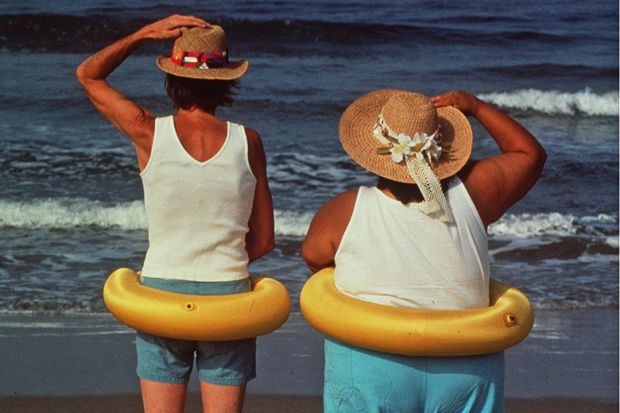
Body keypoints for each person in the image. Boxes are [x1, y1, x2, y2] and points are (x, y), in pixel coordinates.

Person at [301, 90, 546, 412]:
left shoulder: (343, 210)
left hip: (371, 361)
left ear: (376, 149)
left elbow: (314, 258)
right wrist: (475, 106)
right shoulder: (477, 194)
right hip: (465, 360)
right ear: (440, 148)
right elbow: (530, 154)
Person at [76, 15, 274, 413]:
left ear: (172, 77)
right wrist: (216, 264)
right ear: (225, 80)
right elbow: (264, 240)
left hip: (161, 297)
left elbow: (88, 75)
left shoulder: (148, 131)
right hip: (228, 301)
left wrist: (144, 32)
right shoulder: (247, 141)